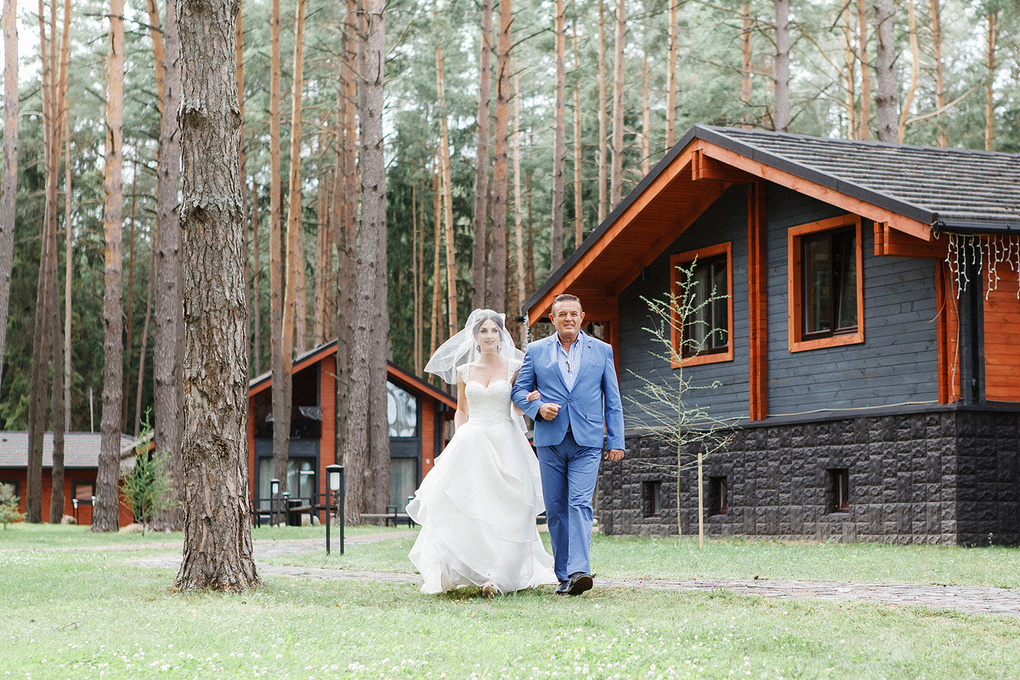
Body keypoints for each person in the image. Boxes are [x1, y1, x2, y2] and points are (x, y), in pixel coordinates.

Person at [406, 309, 557, 596]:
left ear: (501, 335)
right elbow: (461, 410)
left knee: (506, 507)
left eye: (494, 330)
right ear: (474, 336)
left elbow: (516, 407)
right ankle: (471, 570)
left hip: (504, 441)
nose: (489, 336)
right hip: (472, 440)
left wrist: (530, 398)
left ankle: (497, 575)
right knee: (471, 505)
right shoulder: (465, 371)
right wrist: (460, 438)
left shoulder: (515, 367)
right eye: (483, 331)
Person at [511, 294, 625, 596]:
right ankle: (563, 576)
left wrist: (616, 441)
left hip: (588, 441)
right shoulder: (536, 351)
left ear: (582, 317)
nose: (569, 319)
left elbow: (613, 399)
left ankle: (579, 571)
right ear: (553, 319)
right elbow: (519, 392)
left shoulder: (602, 350)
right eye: (562, 314)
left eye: (574, 313)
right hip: (550, 440)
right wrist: (538, 409)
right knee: (557, 509)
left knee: (579, 503)